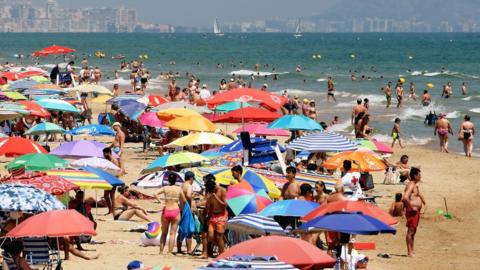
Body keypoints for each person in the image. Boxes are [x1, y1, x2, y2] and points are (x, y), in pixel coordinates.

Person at [155, 174, 186, 254]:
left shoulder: (165, 188)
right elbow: (184, 200)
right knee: (173, 233)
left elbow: (155, 193)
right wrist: (180, 206)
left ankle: (161, 251)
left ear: (168, 180)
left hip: (166, 210)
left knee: (164, 233)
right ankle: (169, 251)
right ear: (176, 180)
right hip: (175, 210)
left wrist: (161, 202)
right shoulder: (179, 189)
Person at [402, 167, 427, 257]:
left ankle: (412, 250)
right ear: (415, 176)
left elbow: (418, 195)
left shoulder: (415, 185)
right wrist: (411, 207)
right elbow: (405, 197)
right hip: (412, 211)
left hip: (416, 211)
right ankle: (409, 252)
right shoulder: (411, 185)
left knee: (414, 231)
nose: (420, 176)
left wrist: (424, 204)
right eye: (419, 175)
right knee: (410, 231)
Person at [205, 176, 227, 255]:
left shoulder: (222, 190)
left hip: (222, 215)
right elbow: (210, 206)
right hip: (213, 215)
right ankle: (221, 249)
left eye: (211, 191)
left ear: (214, 187)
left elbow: (225, 205)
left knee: (219, 237)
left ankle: (221, 254)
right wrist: (208, 216)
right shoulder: (211, 192)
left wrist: (216, 198)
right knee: (210, 235)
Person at [176, 171, 195, 254]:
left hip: (180, 209)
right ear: (191, 178)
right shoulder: (189, 186)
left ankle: (179, 249)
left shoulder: (182, 185)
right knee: (189, 230)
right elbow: (188, 195)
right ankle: (189, 250)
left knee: (181, 229)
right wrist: (191, 201)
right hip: (186, 209)